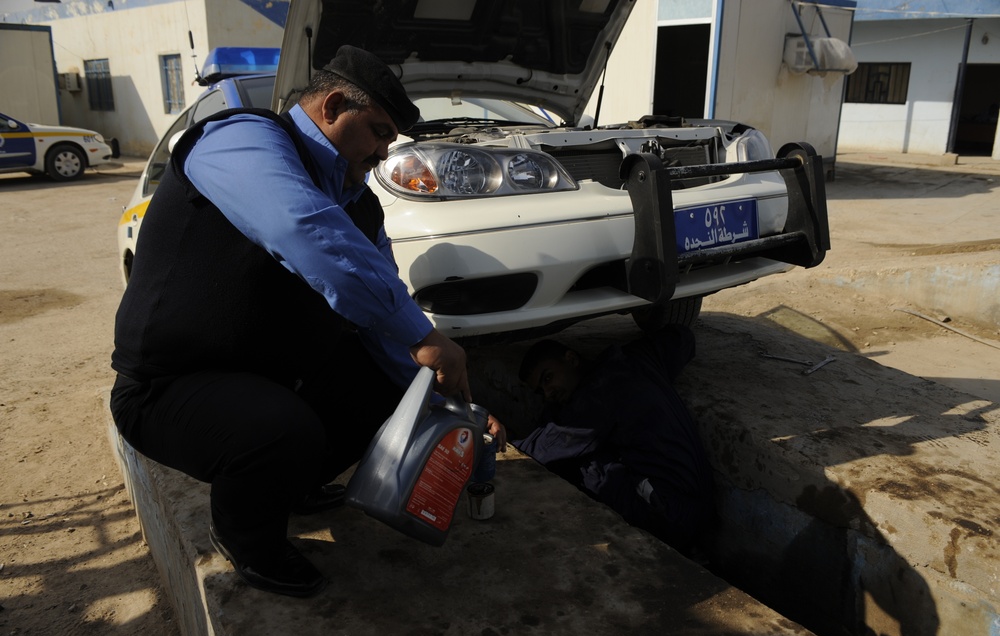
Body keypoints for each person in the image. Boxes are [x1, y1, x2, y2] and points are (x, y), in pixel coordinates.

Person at [110, 45, 502, 598]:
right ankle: (245, 536)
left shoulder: (360, 205)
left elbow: (385, 328)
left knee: (388, 386)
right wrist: (424, 335)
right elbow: (304, 229)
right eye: (377, 132)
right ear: (334, 105)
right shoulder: (241, 139)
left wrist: (452, 404)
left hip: (267, 381)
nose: (383, 152)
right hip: (168, 388)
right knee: (278, 429)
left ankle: (289, 485)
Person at [513, 324, 716, 556]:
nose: (548, 393)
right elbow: (682, 337)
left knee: (580, 465)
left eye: (548, 378)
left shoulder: (592, 401)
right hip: (703, 504)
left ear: (571, 358)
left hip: (668, 517)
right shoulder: (637, 357)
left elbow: (532, 453)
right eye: (540, 391)